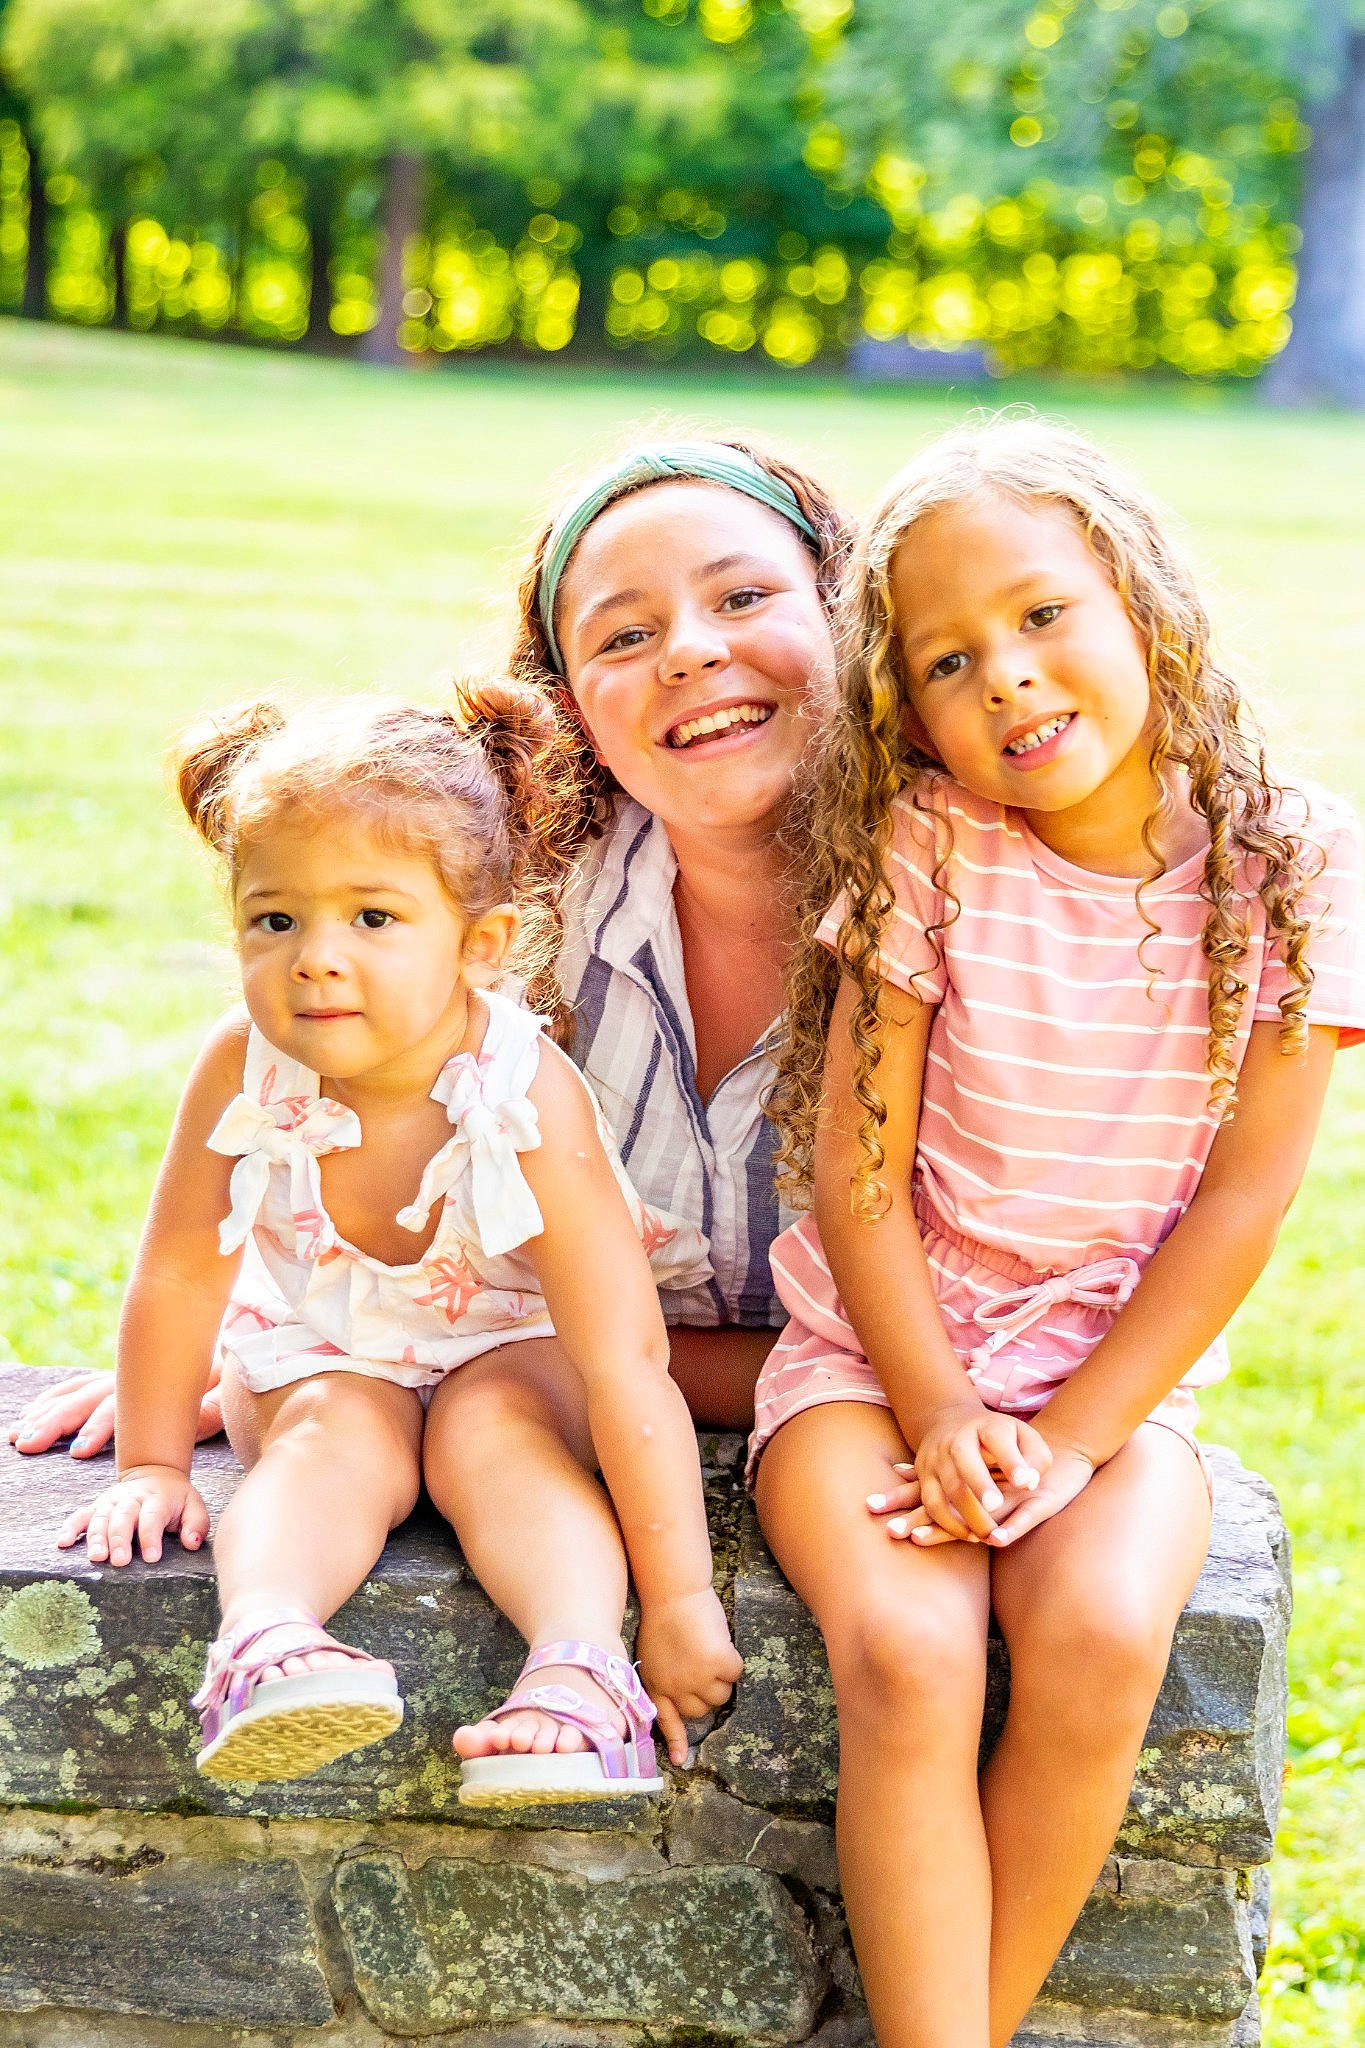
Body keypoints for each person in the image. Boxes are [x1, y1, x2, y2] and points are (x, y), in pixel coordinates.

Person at [754, 418, 1365, 2048]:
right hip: (880, 1358)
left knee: (1096, 1632)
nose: (1008, 678)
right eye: (950, 660)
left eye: (1041, 616)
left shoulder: (1292, 866)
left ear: (1143, 600)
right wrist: (945, 1408)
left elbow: (1248, 1197)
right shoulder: (932, 846)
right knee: (907, 1649)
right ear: (908, 712)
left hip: (1111, 1380)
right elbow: (857, 1176)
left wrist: (1078, 1439)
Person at [14, 436, 850, 1453]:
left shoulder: (979, 916)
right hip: (550, 1413)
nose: (687, 649)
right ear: (571, 706)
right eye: (622, 636)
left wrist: (484, 1352)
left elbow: (991, 1348)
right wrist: (262, 1350)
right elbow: (383, 1218)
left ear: (848, 617)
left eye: (745, 596)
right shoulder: (516, 923)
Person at [55, 686, 741, 1798]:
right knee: (335, 1423)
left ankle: (581, 1669)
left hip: (510, 1344)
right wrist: (151, 1460)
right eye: (275, 919)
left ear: (480, 945)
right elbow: (182, 1270)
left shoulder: (522, 1091)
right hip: (321, 1346)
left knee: (498, 1424)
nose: (316, 958)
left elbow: (624, 1359)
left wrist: (681, 1599)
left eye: (373, 918)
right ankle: (267, 1643)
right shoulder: (245, 1065)